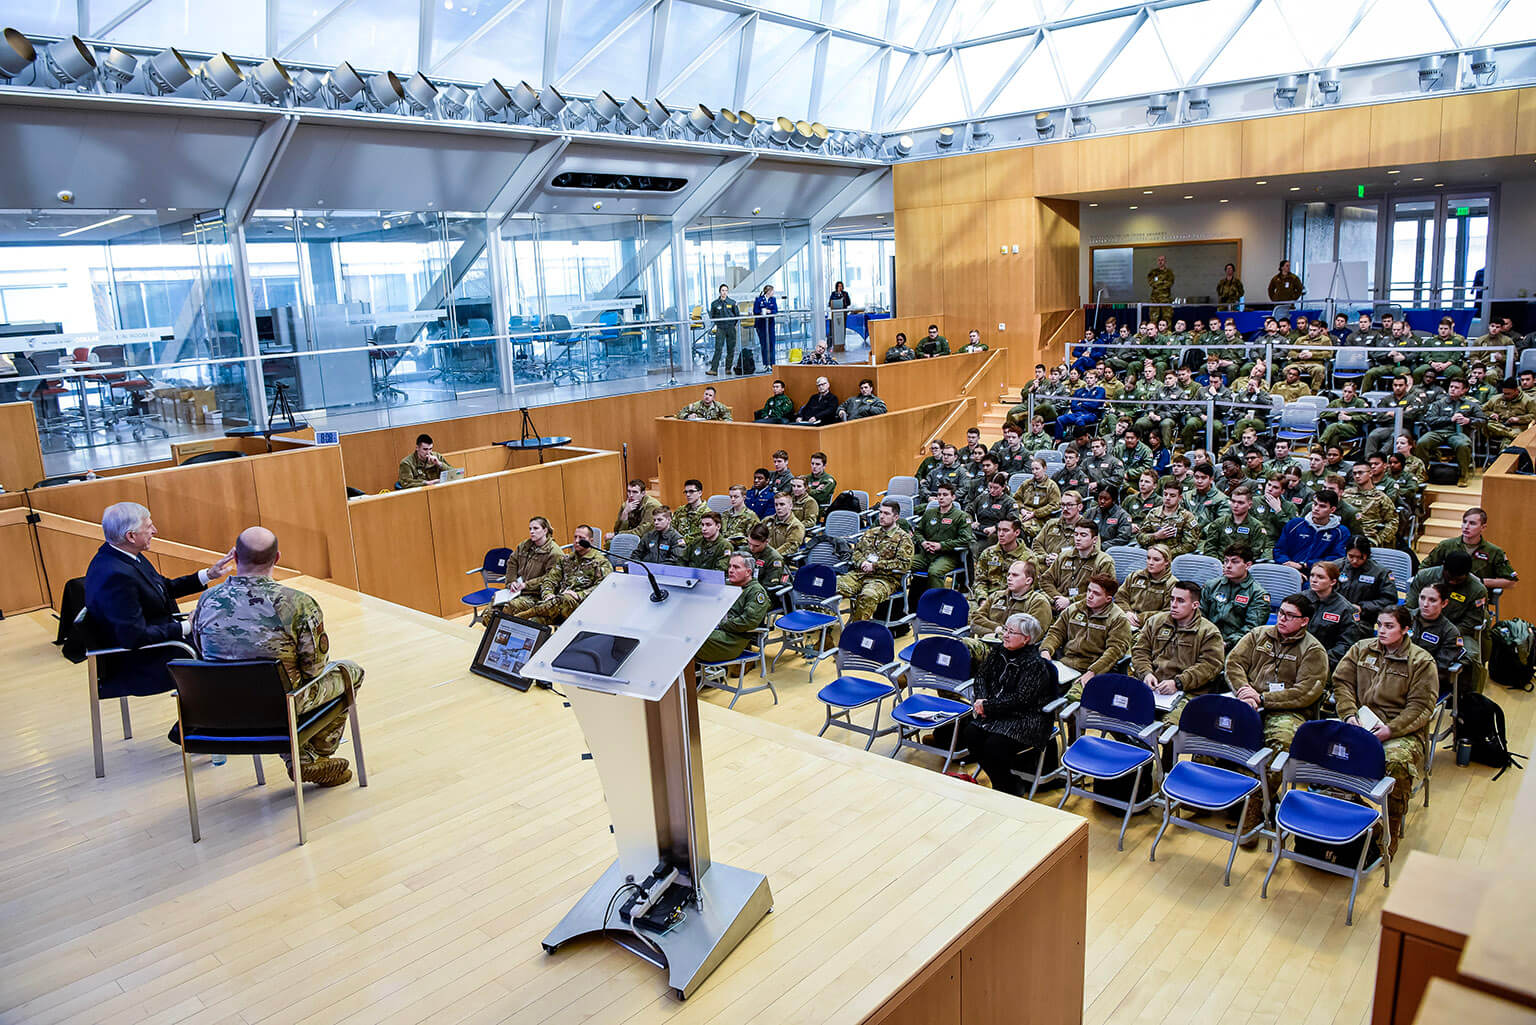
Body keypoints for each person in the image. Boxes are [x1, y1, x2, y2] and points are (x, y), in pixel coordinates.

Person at [190, 526, 361, 786]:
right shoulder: (298, 603)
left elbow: (203, 656)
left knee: (271, 690)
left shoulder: (207, 600)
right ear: (277, 558)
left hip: (220, 707)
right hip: (281, 706)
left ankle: (302, 757)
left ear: (235, 557)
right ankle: (310, 758)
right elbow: (314, 669)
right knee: (350, 671)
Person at [82, 502, 234, 696]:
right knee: (227, 649)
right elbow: (134, 637)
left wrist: (208, 575)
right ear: (131, 536)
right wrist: (187, 626)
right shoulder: (115, 576)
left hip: (158, 642)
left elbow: (163, 588)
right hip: (142, 663)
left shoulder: (124, 555)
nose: (155, 530)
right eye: (148, 527)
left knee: (223, 634)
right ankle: (206, 720)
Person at [1332, 606, 1438, 857]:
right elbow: (1342, 682)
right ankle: (1347, 813)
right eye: (1379, 624)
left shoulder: (1421, 661)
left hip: (1400, 730)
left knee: (1395, 763)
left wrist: (1391, 729)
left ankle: (1391, 825)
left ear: (1405, 629)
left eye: (1389, 626)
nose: (1381, 630)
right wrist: (1348, 714)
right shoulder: (1361, 649)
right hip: (1358, 722)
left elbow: (1421, 707)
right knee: (1327, 754)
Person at [1225, 592, 1330, 839]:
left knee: (1282, 744)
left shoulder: (1313, 650)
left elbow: (1306, 692)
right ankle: (1210, 791)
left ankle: (1256, 806)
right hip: (1247, 700)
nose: (1281, 619)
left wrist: (1263, 699)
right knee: (1214, 726)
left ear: (1304, 621)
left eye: (1289, 616)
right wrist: (1243, 690)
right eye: (1281, 612)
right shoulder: (1258, 634)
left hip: (1287, 710)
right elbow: (1234, 663)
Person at [934, 613, 1062, 796]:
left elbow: (1021, 699)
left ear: (1026, 639)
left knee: (995, 745)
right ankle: (1007, 782)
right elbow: (981, 678)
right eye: (1006, 630)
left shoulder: (1035, 664)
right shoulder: (998, 652)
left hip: (1027, 718)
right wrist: (982, 701)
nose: (1006, 635)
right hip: (997, 710)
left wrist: (988, 707)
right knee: (971, 733)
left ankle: (1005, 787)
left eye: (1012, 632)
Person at [1130, 581, 1226, 724]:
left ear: (1195, 605)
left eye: (1181, 601)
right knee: (1118, 713)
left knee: (1170, 727)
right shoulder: (1156, 621)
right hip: (1153, 686)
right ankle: (1139, 746)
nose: (1174, 604)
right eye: (1172, 599)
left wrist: (1178, 683)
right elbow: (1140, 650)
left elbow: (1210, 666)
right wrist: (1146, 673)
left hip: (1189, 692)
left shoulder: (1208, 632)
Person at [1046, 574, 1134, 700]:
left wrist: (1093, 672)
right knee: (1033, 687)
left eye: (1096, 594)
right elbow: (1055, 633)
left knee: (1073, 699)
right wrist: (1046, 651)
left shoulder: (1118, 619)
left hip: (1093, 669)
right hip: (1066, 664)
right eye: (1088, 590)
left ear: (1108, 599)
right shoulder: (1074, 609)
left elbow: (1114, 652)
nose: (1090, 596)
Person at [503, 525, 611, 625]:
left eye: (581, 538)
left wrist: (579, 595)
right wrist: (548, 594)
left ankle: (522, 616)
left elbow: (603, 587)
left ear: (590, 541)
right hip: (555, 607)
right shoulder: (566, 559)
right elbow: (549, 580)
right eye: (575, 537)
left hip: (580, 607)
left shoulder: (600, 562)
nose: (577, 541)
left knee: (566, 598)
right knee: (533, 623)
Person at [1407, 550, 1489, 666]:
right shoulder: (1425, 577)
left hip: (1458, 630)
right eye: (1449, 577)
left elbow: (1472, 621)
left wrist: (1447, 634)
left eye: (1458, 579)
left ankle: (1461, 683)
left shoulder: (1477, 590)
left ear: (1467, 574)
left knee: (1471, 656)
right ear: (1444, 568)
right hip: (1420, 626)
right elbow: (1410, 607)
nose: (1452, 581)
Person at [837, 500, 915, 621]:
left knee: (868, 596)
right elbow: (856, 552)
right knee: (832, 586)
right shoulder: (870, 532)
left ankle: (856, 631)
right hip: (860, 574)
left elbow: (903, 564)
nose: (882, 516)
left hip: (885, 579)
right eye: (880, 512)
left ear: (896, 517)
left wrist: (875, 566)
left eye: (886, 513)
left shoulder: (903, 538)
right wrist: (862, 562)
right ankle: (826, 635)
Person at [695, 554, 772, 664]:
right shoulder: (726, 585)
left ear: (748, 572)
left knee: (690, 640)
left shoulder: (755, 592)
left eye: (736, 567)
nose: (730, 570)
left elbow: (748, 622)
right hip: (716, 631)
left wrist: (721, 624)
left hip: (732, 640)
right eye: (730, 566)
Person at [1422, 506, 1517, 591]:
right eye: (1464, 522)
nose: (1466, 527)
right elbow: (1423, 569)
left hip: (1475, 597)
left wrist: (1481, 581)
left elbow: (1511, 582)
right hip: (1446, 594)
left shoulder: (1494, 551)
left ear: (1483, 528)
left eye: (1472, 523)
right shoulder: (1446, 545)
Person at [1413, 376, 1483, 487]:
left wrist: (1469, 420)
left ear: (1464, 390)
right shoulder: (1439, 403)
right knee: (1422, 443)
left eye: (1456, 387)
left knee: (1463, 445)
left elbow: (1483, 420)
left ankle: (1462, 475)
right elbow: (1429, 419)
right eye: (1451, 387)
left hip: (1458, 434)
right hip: (1438, 432)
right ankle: (1423, 473)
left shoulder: (1471, 404)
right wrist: (1450, 419)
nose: (1452, 389)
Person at [1200, 542, 1271, 649]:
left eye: (1235, 562)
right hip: (1206, 639)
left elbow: (1252, 629)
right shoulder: (1211, 586)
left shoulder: (1258, 594)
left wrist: (1226, 643)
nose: (1227, 566)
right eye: (1226, 561)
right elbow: (1200, 615)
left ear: (1248, 565)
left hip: (1237, 646)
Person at [909, 482, 973, 599]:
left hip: (948, 555)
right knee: (903, 563)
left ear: (953, 497)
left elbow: (966, 540)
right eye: (939, 495)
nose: (941, 497)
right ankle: (900, 606)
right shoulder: (929, 513)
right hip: (926, 553)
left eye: (945, 494)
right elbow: (918, 531)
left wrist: (941, 545)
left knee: (934, 572)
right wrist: (923, 542)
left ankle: (936, 605)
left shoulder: (961, 516)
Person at [969, 560, 1054, 643]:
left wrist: (996, 632)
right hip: (986, 643)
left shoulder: (1038, 602)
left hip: (1015, 652)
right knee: (960, 644)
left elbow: (1032, 635)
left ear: (1028, 580)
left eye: (1015, 575)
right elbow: (975, 620)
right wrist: (996, 628)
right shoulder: (997, 596)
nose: (1009, 578)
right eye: (1009, 574)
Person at [1040, 521, 1116, 613]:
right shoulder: (1064, 556)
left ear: (1094, 539)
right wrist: (1058, 598)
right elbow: (1046, 580)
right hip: (1057, 603)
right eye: (1075, 534)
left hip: (1085, 606)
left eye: (1083, 535)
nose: (1078, 538)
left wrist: (1070, 601)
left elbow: (1102, 592)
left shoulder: (1104, 561)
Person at [1301, 559, 1364, 666]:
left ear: (1333, 582)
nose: (1314, 580)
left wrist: (1320, 659)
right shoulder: (1300, 599)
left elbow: (1346, 645)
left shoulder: (1345, 609)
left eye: (1320, 577)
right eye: (1312, 575)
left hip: (1325, 661)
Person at [1411, 581, 1467, 699]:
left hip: (1426, 679)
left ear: (1444, 603)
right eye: (1422, 598)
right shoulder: (1406, 617)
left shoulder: (1451, 632)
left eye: (1432, 600)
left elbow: (1438, 667)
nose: (1425, 604)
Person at [1273, 490, 1349, 572]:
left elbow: (1337, 558)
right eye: (1315, 504)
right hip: (1288, 569)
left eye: (1322, 506)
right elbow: (1279, 549)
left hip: (1318, 573)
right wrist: (1288, 564)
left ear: (1332, 509)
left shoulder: (1341, 532)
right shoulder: (1295, 524)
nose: (1316, 508)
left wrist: (1306, 565)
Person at [494, 516, 563, 605]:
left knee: (509, 607)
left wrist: (526, 585)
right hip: (518, 590)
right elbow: (512, 562)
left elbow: (550, 577)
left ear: (545, 530)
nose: (531, 531)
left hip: (536, 594)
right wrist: (512, 581)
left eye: (535, 528)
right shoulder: (524, 545)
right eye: (530, 529)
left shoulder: (554, 552)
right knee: (492, 606)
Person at [1202, 482, 1274, 560]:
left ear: (1249, 505)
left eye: (1240, 503)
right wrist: (1218, 564)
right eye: (1233, 501)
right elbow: (1210, 548)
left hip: (1242, 567)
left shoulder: (1256, 527)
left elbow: (1255, 553)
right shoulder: (1219, 523)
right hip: (1219, 565)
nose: (1235, 505)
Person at [1115, 543, 1175, 631]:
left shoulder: (1172, 584)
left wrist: (1139, 618)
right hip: (1126, 619)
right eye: (1148, 558)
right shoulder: (1135, 576)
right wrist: (1127, 612)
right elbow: (1120, 597)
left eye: (1156, 560)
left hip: (1153, 626)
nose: (1150, 563)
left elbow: (1168, 612)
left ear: (1166, 562)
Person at [1340, 536, 1397, 628]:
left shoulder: (1380, 573)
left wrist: (1362, 607)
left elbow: (1389, 600)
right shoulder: (1337, 567)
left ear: (1367, 554)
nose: (1354, 561)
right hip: (1336, 615)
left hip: (1362, 619)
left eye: (1360, 557)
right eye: (1351, 556)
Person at [1135, 479, 1201, 557]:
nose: (1167, 498)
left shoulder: (1187, 517)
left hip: (1174, 558)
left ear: (1179, 498)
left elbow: (1190, 544)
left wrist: (1165, 554)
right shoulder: (1153, 513)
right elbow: (1140, 536)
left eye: (1172, 495)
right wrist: (1156, 536)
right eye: (1165, 494)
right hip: (1151, 555)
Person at [1343, 462, 1397, 547]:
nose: (1357, 476)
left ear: (1370, 473)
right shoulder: (1346, 494)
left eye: (1361, 472)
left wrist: (1379, 539)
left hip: (1368, 537)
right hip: (1346, 534)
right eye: (1354, 473)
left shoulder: (1380, 497)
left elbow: (1392, 521)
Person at [1481, 376, 1536, 444]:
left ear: (1516, 390)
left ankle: (1510, 438)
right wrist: (1491, 414)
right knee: (1487, 424)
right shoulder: (1496, 398)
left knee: (1507, 443)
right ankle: (1512, 434)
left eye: (1508, 394)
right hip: (1498, 426)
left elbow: (1534, 416)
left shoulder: (1528, 400)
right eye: (1504, 393)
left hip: (1517, 427)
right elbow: (1482, 410)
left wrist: (1519, 419)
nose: (1506, 396)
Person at [743, 523, 791, 591]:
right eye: (749, 543)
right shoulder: (744, 551)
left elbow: (769, 586)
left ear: (766, 541)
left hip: (761, 593)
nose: (751, 548)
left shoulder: (774, 559)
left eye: (756, 546)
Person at [706, 283, 739, 376]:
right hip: (720, 329)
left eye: (726, 290)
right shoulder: (715, 304)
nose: (724, 292)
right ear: (720, 292)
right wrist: (719, 324)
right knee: (718, 349)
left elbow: (737, 316)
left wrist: (732, 324)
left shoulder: (732, 302)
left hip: (731, 328)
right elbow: (712, 316)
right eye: (722, 290)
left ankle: (728, 368)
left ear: (727, 292)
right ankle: (714, 369)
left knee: (731, 348)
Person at [752, 284, 778, 368]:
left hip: (770, 324)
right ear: (768, 291)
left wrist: (770, 311)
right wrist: (762, 311)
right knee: (764, 344)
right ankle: (766, 363)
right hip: (761, 325)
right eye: (772, 291)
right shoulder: (759, 300)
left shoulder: (773, 299)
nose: (773, 293)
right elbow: (755, 310)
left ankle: (772, 363)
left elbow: (775, 310)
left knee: (771, 343)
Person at [1146, 254, 1174, 323]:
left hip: (1165, 298)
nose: (1160, 262)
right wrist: (1162, 281)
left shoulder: (1169, 272)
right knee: (1153, 317)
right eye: (1159, 260)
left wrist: (1158, 283)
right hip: (1154, 298)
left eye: (1162, 260)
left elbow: (1169, 283)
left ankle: (1168, 333)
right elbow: (1151, 283)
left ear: (1165, 261)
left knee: (1167, 317)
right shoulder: (1153, 272)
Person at [827, 280, 851, 346]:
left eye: (841, 286)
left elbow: (849, 302)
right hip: (835, 314)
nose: (840, 287)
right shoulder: (833, 294)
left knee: (843, 327)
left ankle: (842, 341)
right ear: (836, 287)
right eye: (838, 286)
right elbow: (830, 303)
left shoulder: (845, 294)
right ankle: (835, 342)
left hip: (843, 313)